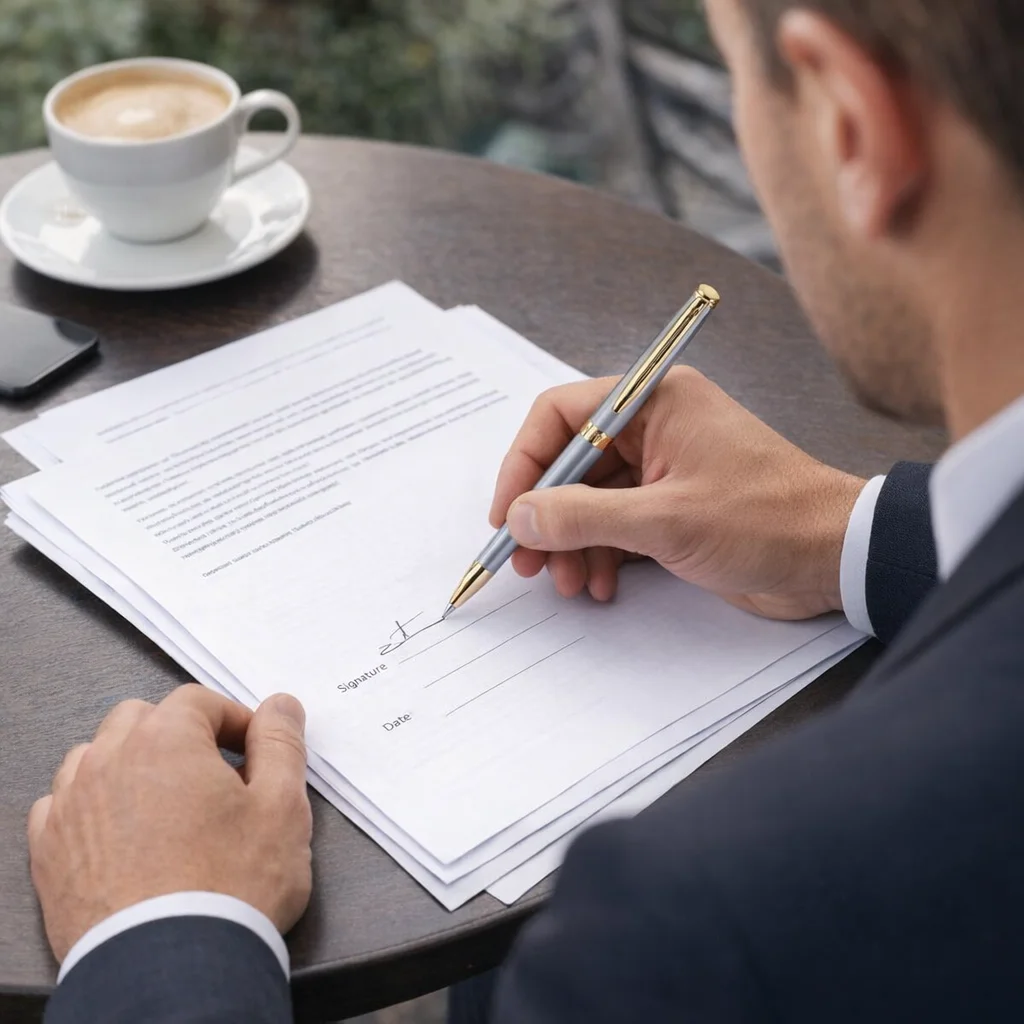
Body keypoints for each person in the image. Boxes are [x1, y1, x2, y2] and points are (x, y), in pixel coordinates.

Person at [30, 0, 1024, 1020]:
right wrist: (848, 535)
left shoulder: (699, 936)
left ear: (851, 125)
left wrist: (160, 935)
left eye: (739, 84)